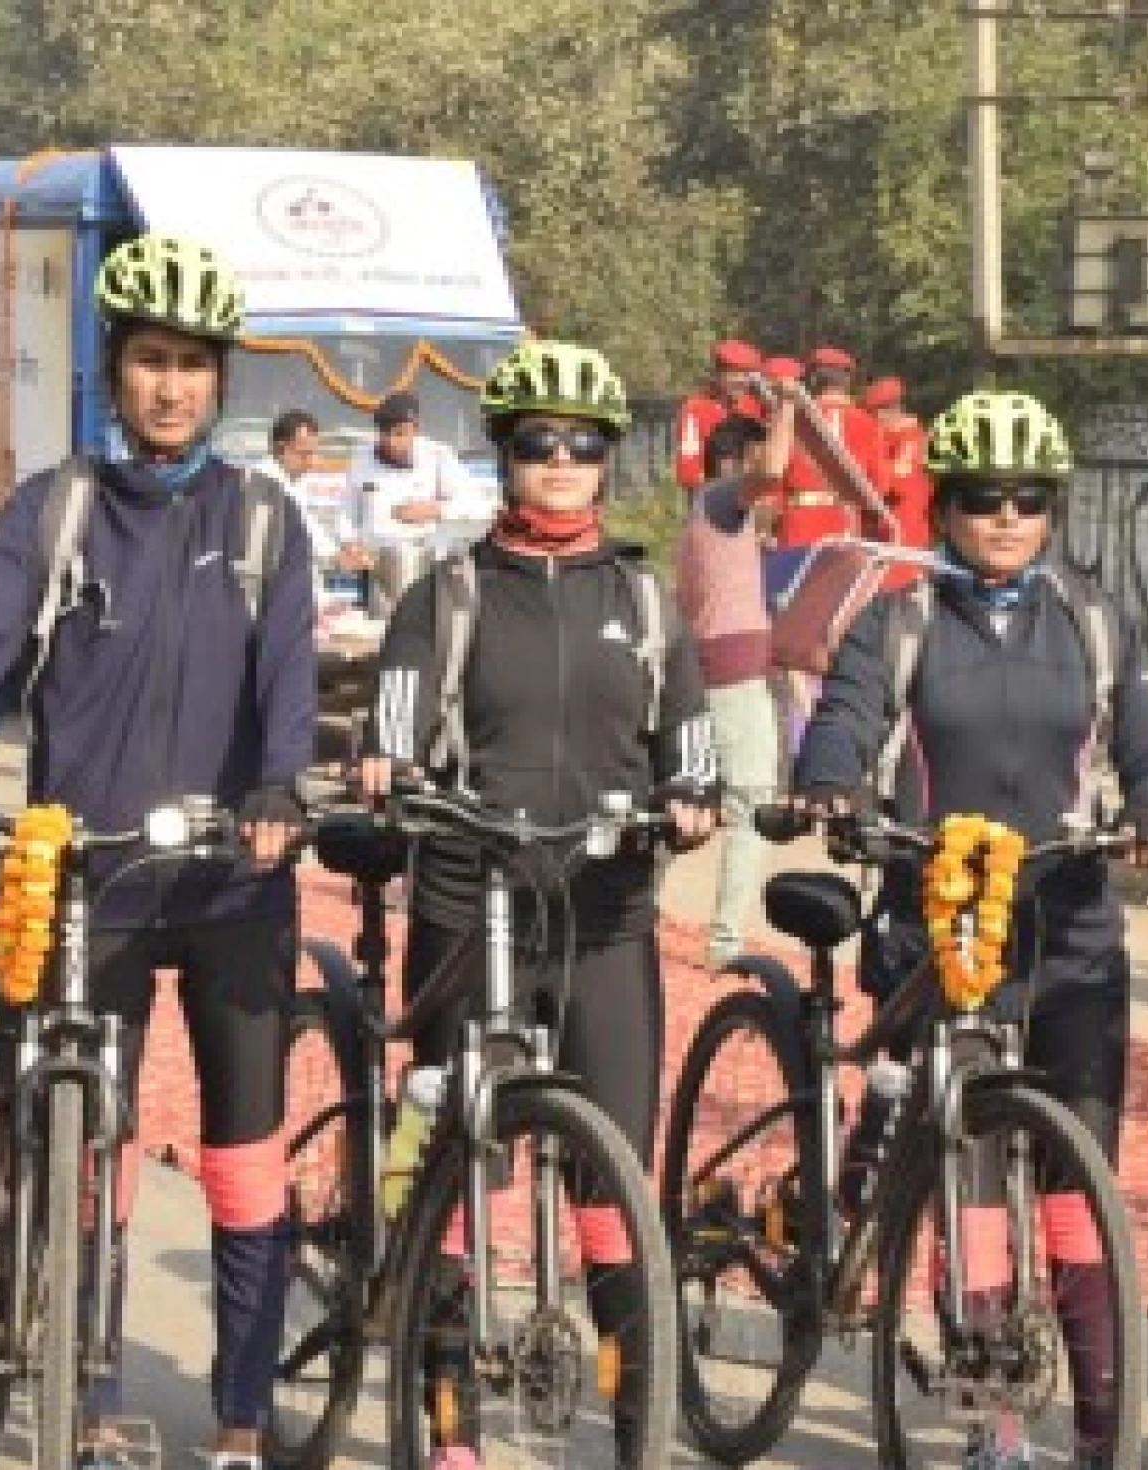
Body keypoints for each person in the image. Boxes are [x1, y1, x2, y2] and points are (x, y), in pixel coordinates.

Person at [0, 231, 315, 1470]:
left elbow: (290, 680)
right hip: (90, 877)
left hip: (232, 882)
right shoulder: (59, 509)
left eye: (193, 365)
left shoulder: (264, 520)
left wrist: (278, 787)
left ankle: (240, 1420)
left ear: (221, 380)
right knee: (88, 1152)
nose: (171, 387)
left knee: (242, 1160)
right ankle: (88, 1394)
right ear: (116, 369)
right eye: (150, 361)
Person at [793, 388, 1148, 1470]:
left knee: (1079, 1197)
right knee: (970, 1186)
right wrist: (830, 790)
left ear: (1052, 508)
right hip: (941, 926)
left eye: (1027, 499)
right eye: (981, 497)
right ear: (945, 509)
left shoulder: (1096, 620)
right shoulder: (901, 616)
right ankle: (992, 1424)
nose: (1006, 516)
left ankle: (1107, 1437)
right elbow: (844, 722)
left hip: (1068, 937)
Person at [360, 339, 718, 1469]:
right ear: (505, 456)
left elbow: (691, 743)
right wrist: (392, 768)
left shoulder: (648, 602)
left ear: (609, 462)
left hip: (605, 914)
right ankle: (451, 1413)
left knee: (614, 1176)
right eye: (536, 444)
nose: (560, 463)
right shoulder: (449, 597)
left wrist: (696, 796)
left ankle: (632, 1415)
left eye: (581, 446)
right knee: (458, 1167)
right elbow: (394, 727)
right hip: (473, 908)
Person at [677, 399, 795, 966]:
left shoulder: (715, 514)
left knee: (698, 802)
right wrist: (790, 409)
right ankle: (725, 943)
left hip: (718, 674)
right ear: (735, 463)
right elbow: (771, 471)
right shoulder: (722, 500)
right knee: (751, 805)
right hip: (732, 680)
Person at [345, 388, 495, 613]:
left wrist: (436, 510)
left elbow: (480, 506)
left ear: (415, 430)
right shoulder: (362, 458)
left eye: (402, 434)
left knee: (422, 631)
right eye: (388, 435)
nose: (395, 442)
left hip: (426, 565)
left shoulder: (437, 457)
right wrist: (350, 544)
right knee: (377, 631)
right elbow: (347, 513)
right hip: (376, 569)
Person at [774, 344, 887, 549]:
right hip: (846, 522)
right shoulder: (870, 424)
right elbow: (879, 486)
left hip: (799, 524)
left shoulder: (791, 420)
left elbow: (774, 477)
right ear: (847, 381)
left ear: (812, 379)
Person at [250, 409, 369, 601]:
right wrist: (335, 556)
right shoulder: (264, 482)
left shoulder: (292, 479)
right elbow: (298, 528)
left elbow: (308, 523)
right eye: (304, 454)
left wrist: (342, 549)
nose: (311, 462)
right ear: (280, 449)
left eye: (313, 454)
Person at [863, 374, 933, 582]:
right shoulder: (892, 438)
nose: (872, 421)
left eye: (873, 414)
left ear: (888, 411)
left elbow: (896, 481)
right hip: (885, 532)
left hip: (905, 532)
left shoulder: (910, 438)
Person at [674, 338, 765, 492]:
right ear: (717, 375)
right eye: (734, 376)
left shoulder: (755, 407)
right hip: (710, 495)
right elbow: (688, 471)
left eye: (745, 376)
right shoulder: (695, 409)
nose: (741, 382)